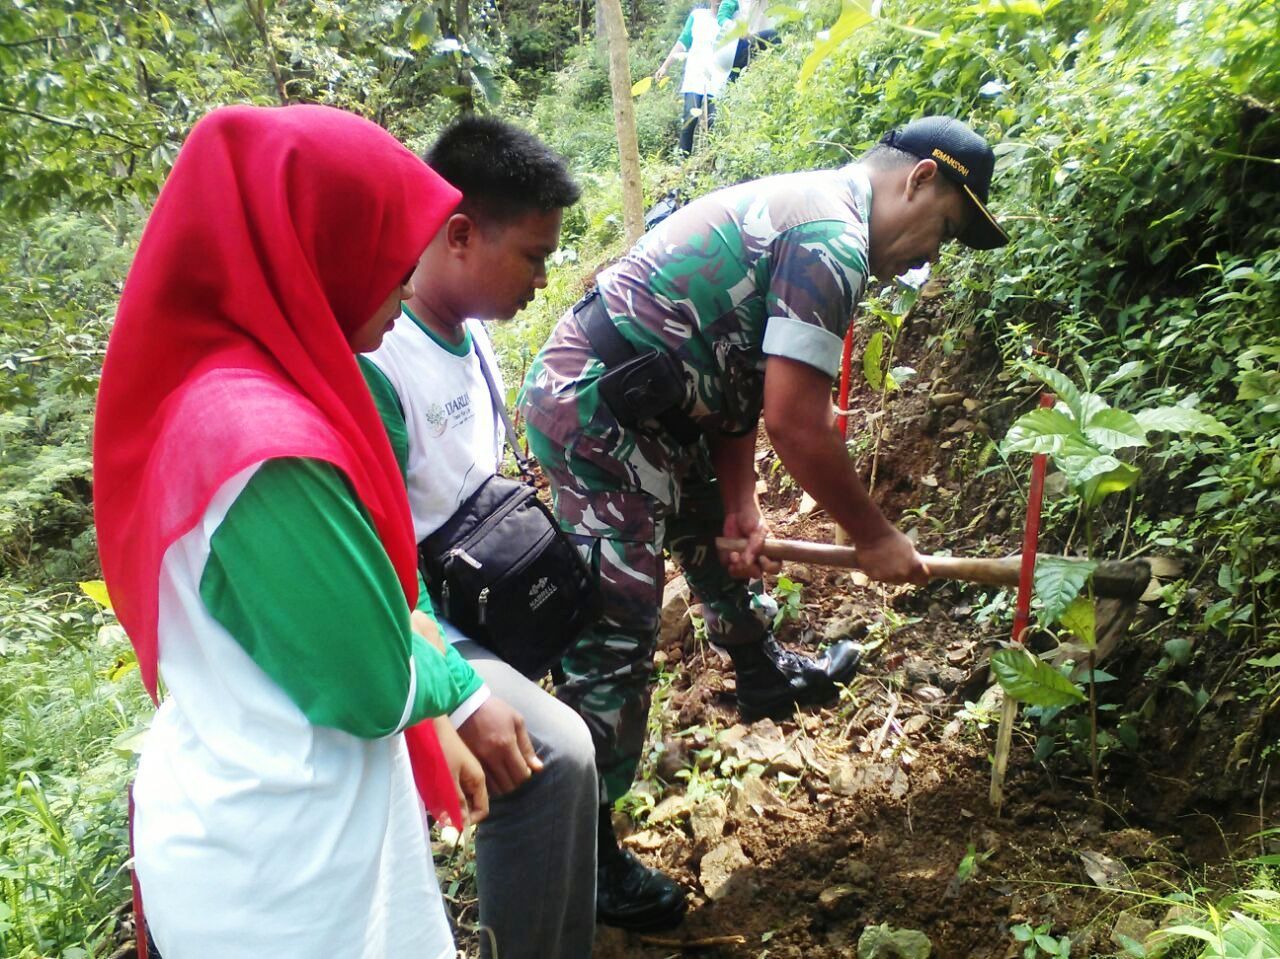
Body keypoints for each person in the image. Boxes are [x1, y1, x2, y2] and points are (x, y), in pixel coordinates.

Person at [518, 115, 1009, 928]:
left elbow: (741, 379)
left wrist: (742, 503)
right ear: (921, 179)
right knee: (620, 625)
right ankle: (585, 853)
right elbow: (800, 422)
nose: (930, 257)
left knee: (717, 532)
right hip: (596, 408)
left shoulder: (821, 216)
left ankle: (761, 669)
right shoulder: (831, 239)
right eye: (944, 231)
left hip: (669, 402)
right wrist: (873, 536)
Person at [93, 103, 489, 958]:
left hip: (283, 816)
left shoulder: (228, 387)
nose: (403, 288)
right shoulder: (258, 445)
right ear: (316, 251)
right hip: (283, 882)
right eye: (389, 262)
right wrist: (456, 679)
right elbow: (371, 681)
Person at [358, 116, 599, 958]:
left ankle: (591, 876)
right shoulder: (381, 368)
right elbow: (384, 565)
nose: (544, 274)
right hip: (429, 612)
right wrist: (460, 691)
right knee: (556, 755)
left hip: (481, 578)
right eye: (533, 255)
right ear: (459, 234)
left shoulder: (472, 335)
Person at [654, 0, 739, 155]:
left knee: (714, 123)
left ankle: (710, 162)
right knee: (689, 121)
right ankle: (681, 163)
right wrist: (665, 66)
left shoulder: (733, 22)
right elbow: (683, 42)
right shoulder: (697, 17)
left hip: (719, 82)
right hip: (695, 78)